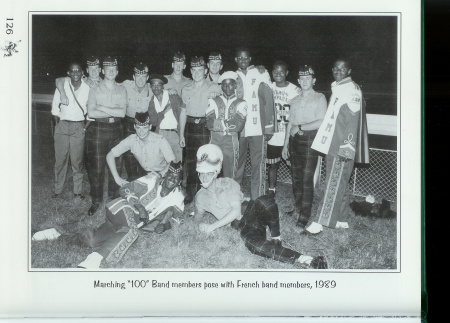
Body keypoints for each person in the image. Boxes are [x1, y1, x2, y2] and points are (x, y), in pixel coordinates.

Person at [31, 161, 185, 269]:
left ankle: (55, 234)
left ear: (179, 182)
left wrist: (165, 226)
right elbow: (124, 189)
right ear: (165, 175)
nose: (171, 180)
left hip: (127, 225)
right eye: (170, 176)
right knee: (132, 232)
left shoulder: (178, 196)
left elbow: (178, 217)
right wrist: (139, 206)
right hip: (121, 210)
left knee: (92, 240)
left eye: (175, 178)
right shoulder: (152, 179)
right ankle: (92, 261)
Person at [194, 144, 327, 268]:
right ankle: (306, 259)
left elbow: (236, 211)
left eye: (209, 173)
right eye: (201, 173)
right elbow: (197, 220)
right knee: (254, 247)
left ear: (216, 171)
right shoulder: (200, 197)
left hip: (251, 210)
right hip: (241, 226)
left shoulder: (227, 183)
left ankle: (276, 237)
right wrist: (201, 227)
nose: (204, 178)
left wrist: (212, 226)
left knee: (265, 201)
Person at [305, 59, 370, 234]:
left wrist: (346, 149)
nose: (338, 70)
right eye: (335, 68)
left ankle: (320, 223)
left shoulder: (351, 90)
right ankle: (341, 219)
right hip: (332, 143)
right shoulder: (339, 87)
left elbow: (353, 122)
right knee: (341, 182)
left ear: (349, 70)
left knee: (332, 183)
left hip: (341, 146)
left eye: (342, 68)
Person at [281, 65, 327, 228]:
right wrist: (285, 144)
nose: (305, 81)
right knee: (296, 177)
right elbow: (290, 123)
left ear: (313, 80)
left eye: (308, 78)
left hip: (310, 141)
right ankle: (298, 207)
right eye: (302, 79)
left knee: (307, 180)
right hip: (294, 142)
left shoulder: (320, 98)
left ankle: (305, 215)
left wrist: (300, 128)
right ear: (299, 81)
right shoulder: (294, 100)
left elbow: (321, 121)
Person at [85, 56, 127, 216]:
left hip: (117, 128)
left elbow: (122, 112)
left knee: (116, 164)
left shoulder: (121, 89)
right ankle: (96, 201)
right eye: (107, 69)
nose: (110, 71)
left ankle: (113, 197)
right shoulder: (94, 89)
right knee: (96, 167)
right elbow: (91, 112)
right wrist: (111, 109)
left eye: (113, 69)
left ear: (117, 71)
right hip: (98, 128)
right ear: (102, 71)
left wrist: (102, 107)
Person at [233, 48, 275, 200]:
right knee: (237, 164)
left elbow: (269, 99)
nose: (243, 60)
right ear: (235, 60)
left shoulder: (261, 73)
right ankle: (234, 195)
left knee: (258, 165)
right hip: (239, 129)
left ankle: (257, 198)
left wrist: (269, 126)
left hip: (257, 128)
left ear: (250, 58)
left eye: (245, 57)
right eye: (239, 58)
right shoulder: (232, 76)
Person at [179, 56, 221, 204]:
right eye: (194, 70)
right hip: (190, 126)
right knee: (191, 162)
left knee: (206, 161)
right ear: (190, 71)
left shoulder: (214, 87)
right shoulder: (186, 89)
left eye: (200, 70)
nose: (197, 73)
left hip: (205, 126)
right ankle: (191, 193)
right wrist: (181, 134)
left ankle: (206, 193)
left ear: (205, 71)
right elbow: (183, 112)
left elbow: (224, 105)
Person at [51, 62, 90, 199]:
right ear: (68, 73)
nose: (75, 73)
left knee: (77, 161)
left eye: (78, 70)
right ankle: (57, 190)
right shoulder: (62, 86)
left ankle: (77, 192)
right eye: (72, 71)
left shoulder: (87, 88)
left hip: (78, 127)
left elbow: (90, 112)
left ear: (82, 72)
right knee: (60, 160)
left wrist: (83, 127)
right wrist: (58, 125)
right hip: (62, 125)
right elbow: (55, 108)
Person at [106, 112, 176, 187]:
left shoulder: (160, 140)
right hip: (144, 174)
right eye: (138, 127)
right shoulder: (131, 139)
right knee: (125, 192)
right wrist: (117, 179)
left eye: (145, 128)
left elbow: (173, 162)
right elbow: (110, 156)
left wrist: (159, 174)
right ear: (134, 127)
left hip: (162, 174)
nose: (141, 132)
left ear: (150, 127)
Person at [267, 61, 301, 195]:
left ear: (287, 73)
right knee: (272, 165)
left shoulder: (295, 90)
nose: (278, 74)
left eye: (281, 72)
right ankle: (271, 189)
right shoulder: (268, 87)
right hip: (273, 134)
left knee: (292, 165)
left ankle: (298, 191)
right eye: (275, 71)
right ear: (272, 72)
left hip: (288, 134)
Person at [205, 71, 247, 179]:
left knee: (230, 172)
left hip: (231, 142)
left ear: (235, 85)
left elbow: (238, 126)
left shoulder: (241, 103)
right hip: (215, 139)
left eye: (231, 84)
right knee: (211, 169)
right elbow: (209, 123)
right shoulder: (213, 101)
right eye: (225, 84)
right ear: (221, 86)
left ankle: (229, 195)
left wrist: (219, 123)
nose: (228, 87)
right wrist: (228, 123)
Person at [120, 62, 153, 181]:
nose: (140, 79)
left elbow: (164, 85)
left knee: (145, 153)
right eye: (138, 76)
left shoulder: (152, 88)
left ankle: (143, 180)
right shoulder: (125, 85)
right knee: (129, 153)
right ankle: (132, 179)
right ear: (133, 77)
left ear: (147, 77)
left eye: (143, 76)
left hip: (144, 124)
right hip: (129, 123)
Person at [147, 74, 184, 163]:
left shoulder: (172, 96)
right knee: (162, 163)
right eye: (153, 85)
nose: (156, 88)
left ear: (162, 86)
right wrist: (164, 111)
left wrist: (181, 134)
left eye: (158, 85)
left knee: (176, 163)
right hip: (160, 134)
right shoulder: (152, 102)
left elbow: (182, 113)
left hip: (174, 133)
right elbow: (154, 121)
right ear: (151, 87)